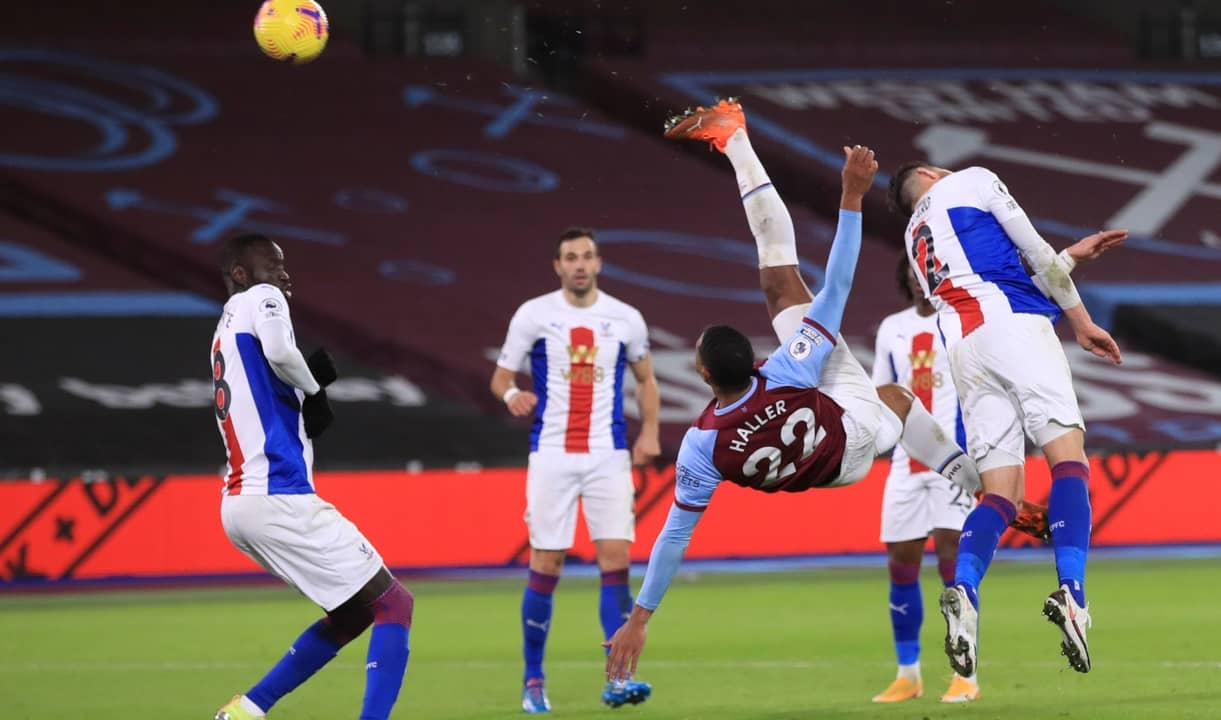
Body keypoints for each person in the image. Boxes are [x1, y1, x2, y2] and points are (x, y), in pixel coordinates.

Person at [604, 99, 1011, 685]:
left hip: (839, 467)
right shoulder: (790, 370)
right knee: (783, 287)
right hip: (850, 423)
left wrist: (641, 618)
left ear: (701, 376)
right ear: (756, 362)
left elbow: (674, 535)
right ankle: (734, 138)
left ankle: (733, 139)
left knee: (892, 392)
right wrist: (850, 198)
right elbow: (840, 281)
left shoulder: (702, 446)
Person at [887, 161, 1126, 677]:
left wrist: (1071, 258)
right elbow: (1034, 255)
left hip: (966, 351)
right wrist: (1082, 322)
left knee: (1001, 494)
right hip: (1016, 329)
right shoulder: (972, 179)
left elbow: (986, 282)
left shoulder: (913, 235)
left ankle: (965, 590)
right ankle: (1073, 594)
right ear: (931, 172)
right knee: (1068, 458)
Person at [211, 234, 413, 720]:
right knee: (393, 605)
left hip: (240, 503)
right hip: (276, 493)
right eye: (272, 263)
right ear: (241, 273)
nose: (284, 274)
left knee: (353, 612)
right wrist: (315, 388)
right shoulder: (261, 298)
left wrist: (301, 400)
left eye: (285, 267)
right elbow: (282, 351)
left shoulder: (223, 330)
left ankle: (248, 708)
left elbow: (265, 384)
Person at [490, 227, 661, 712]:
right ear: (557, 266)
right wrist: (510, 394)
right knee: (546, 564)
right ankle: (533, 679)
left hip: (608, 455)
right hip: (552, 455)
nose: (580, 265)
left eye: (587, 256)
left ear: (599, 263)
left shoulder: (625, 319)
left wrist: (649, 431)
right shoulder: (534, 314)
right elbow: (501, 375)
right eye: (571, 257)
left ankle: (619, 679)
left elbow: (646, 380)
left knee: (616, 564)